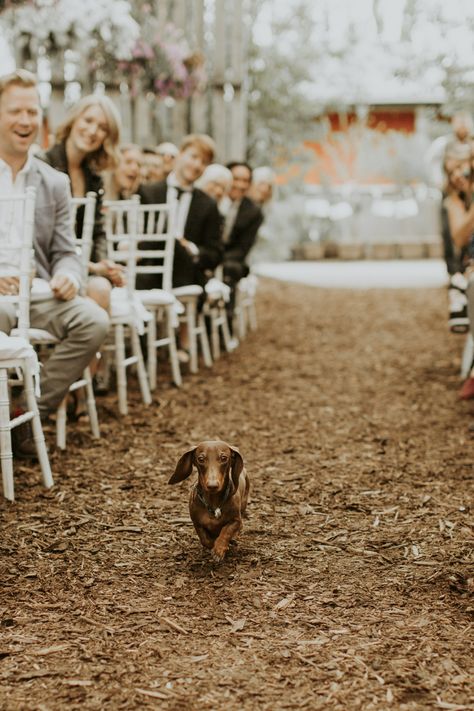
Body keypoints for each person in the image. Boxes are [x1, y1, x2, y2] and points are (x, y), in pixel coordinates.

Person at [0, 69, 109, 455]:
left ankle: (27, 413)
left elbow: (67, 250)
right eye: (16, 111)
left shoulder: (53, 182)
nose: (26, 121)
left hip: (39, 293)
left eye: (33, 112)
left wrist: (67, 274)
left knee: (94, 320)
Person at [40, 94, 125, 312]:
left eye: (103, 127)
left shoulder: (94, 178)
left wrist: (103, 263)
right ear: (74, 121)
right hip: (47, 265)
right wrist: (89, 266)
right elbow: (41, 237)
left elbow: (98, 231)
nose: (93, 131)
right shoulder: (43, 166)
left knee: (101, 288)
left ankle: (92, 345)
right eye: (88, 121)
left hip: (83, 267)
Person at [137, 134, 223, 291]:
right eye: (194, 157)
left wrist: (191, 248)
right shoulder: (148, 192)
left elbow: (215, 254)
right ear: (181, 154)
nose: (197, 165)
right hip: (148, 272)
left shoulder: (208, 205)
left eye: (204, 162)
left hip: (187, 277)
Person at [221, 161, 263, 301]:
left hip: (233, 260)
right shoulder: (212, 201)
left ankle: (228, 314)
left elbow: (243, 248)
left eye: (245, 181)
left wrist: (218, 261)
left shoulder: (253, 212)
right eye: (236, 179)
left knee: (230, 269)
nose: (240, 185)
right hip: (208, 254)